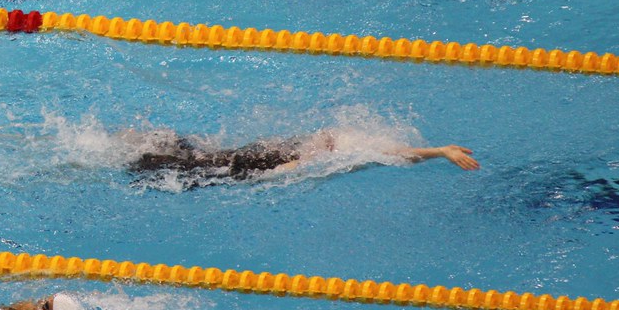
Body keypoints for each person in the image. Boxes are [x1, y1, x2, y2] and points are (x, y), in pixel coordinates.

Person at [126, 128, 478, 185]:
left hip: (216, 165)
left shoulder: (312, 155)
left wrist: (438, 152)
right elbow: (385, 153)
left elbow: (388, 154)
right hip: (215, 161)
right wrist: (438, 151)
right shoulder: (321, 152)